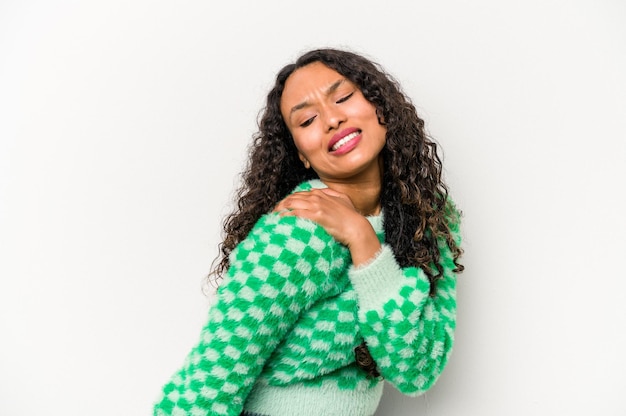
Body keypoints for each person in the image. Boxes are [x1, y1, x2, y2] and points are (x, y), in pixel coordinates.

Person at [153, 48, 464, 416]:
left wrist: (363, 240)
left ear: (383, 107)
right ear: (301, 154)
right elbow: (208, 383)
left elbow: (417, 371)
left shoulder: (430, 220)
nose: (332, 119)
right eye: (307, 121)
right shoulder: (295, 233)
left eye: (343, 97)